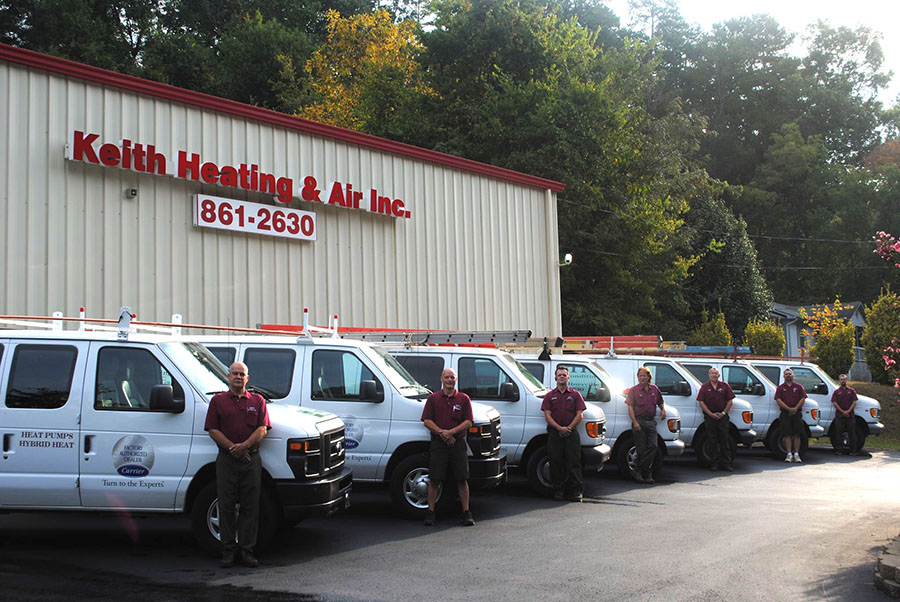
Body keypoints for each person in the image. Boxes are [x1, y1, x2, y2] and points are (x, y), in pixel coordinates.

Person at [204, 361, 271, 568]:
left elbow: (263, 428)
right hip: (227, 460)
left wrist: (244, 447)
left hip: (251, 460)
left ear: (247, 378)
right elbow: (213, 430)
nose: (238, 377)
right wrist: (233, 448)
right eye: (235, 373)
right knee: (226, 506)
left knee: (250, 507)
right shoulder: (218, 401)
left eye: (242, 374)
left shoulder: (258, 401)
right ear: (228, 377)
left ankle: (247, 552)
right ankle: (228, 553)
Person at [421, 368, 475, 527]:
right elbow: (426, 420)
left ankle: (466, 512)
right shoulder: (433, 398)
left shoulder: (464, 399)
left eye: (452, 377)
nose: (449, 380)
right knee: (434, 479)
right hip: (439, 443)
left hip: (458, 443)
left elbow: (468, 422)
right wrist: (442, 434)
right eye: (447, 377)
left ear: (456, 380)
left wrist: (451, 433)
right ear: (441, 379)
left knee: (462, 479)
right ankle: (430, 512)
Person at [541, 365, 586, 502]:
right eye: (559, 375)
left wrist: (569, 428)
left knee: (574, 462)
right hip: (555, 433)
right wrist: (559, 428)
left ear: (568, 377)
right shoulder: (549, 396)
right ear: (555, 377)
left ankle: (576, 491)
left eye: (564, 375)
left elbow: (580, 414)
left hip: (571, 433)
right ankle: (558, 490)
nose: (562, 377)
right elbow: (547, 416)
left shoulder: (575, 395)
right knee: (555, 462)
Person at [625, 367, 666, 483]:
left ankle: (638, 469)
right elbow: (630, 406)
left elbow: (660, 401)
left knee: (653, 446)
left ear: (649, 377)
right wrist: (635, 422)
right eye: (640, 376)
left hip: (651, 421)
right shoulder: (634, 390)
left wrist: (663, 410)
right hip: (639, 421)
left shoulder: (654, 389)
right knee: (641, 448)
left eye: (644, 376)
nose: (642, 378)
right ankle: (646, 473)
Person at [696, 367, 735, 472]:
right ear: (709, 375)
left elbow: (730, 401)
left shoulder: (725, 386)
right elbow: (701, 402)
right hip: (710, 417)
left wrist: (723, 413)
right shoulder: (704, 387)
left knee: (724, 440)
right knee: (712, 440)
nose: (714, 375)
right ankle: (714, 463)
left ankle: (726, 464)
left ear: (719, 375)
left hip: (723, 417)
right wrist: (710, 414)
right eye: (712, 373)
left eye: (716, 373)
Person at [774, 368, 806, 463]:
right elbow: (778, 400)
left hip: (797, 413)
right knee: (787, 434)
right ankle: (789, 455)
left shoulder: (799, 387)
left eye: (790, 374)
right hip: (785, 413)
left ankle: (796, 454)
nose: (788, 375)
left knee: (797, 434)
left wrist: (795, 408)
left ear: (793, 376)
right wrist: (788, 409)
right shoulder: (780, 388)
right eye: (786, 374)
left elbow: (803, 398)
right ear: (784, 376)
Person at [831, 373, 859, 455]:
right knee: (838, 433)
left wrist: (848, 411)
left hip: (850, 416)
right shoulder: (836, 392)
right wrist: (842, 411)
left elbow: (854, 402)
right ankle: (839, 450)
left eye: (844, 379)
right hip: (839, 416)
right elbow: (834, 402)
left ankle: (853, 451)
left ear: (847, 380)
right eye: (841, 379)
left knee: (852, 433)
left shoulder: (851, 391)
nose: (843, 381)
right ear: (839, 381)